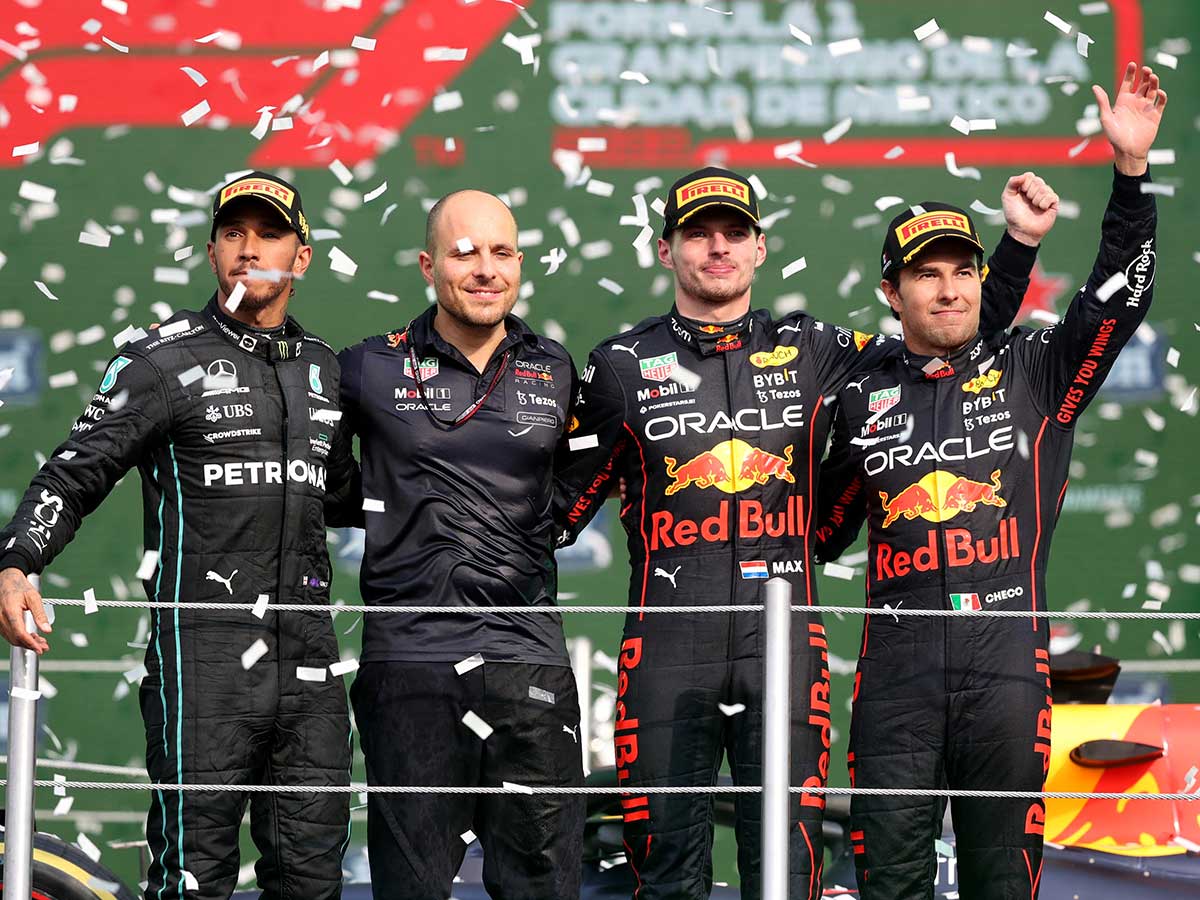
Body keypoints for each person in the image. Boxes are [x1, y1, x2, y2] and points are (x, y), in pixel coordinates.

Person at [552, 164, 1051, 899]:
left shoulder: (817, 348)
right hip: (664, 647)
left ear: (760, 248)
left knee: (788, 873)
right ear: (665, 250)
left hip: (783, 648)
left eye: (734, 233)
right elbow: (552, 512)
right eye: (698, 234)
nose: (717, 248)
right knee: (664, 873)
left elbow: (949, 331)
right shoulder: (619, 366)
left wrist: (1017, 248)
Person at [812, 62, 1166, 900]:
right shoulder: (860, 392)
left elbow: (1117, 301)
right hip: (894, 675)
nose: (949, 289)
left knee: (1002, 880)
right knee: (889, 881)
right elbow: (822, 532)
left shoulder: (1037, 370)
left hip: (1005, 670)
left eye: (963, 271)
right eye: (927, 274)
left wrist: (1131, 174)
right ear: (891, 292)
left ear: (982, 280)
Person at [0, 171, 356, 900]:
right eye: (233, 234)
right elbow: (73, 474)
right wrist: (14, 563)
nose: (249, 249)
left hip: (311, 663)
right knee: (195, 879)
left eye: (269, 235)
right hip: (203, 660)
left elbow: (348, 494)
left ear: (302, 257)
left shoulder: (324, 366)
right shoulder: (162, 358)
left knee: (313, 881)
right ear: (211, 251)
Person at [335, 190, 584, 899]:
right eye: (464, 252)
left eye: (501, 252)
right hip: (409, 662)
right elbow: (325, 481)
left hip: (528, 659)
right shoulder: (367, 366)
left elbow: (577, 485)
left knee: (544, 887)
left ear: (520, 263)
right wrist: (401, 517)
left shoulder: (556, 368)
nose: (485, 270)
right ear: (428, 265)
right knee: (411, 888)